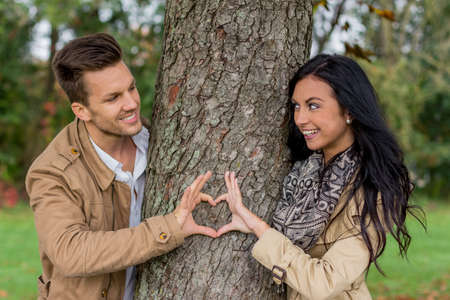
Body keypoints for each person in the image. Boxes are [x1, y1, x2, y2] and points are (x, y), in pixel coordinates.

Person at [25, 33, 217, 300]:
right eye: (113, 98)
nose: (131, 103)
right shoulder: (52, 172)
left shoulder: (158, 144)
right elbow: (70, 252)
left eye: (131, 87)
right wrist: (170, 227)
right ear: (82, 111)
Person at [216, 54, 423, 299]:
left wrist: (259, 228)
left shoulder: (374, 189)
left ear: (349, 111)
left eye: (313, 105)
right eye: (296, 106)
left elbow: (324, 283)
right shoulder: (304, 171)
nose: (301, 119)